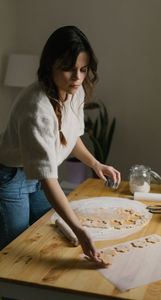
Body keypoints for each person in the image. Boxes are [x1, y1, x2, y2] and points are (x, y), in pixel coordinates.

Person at [0, 26, 121, 263]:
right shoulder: (37, 109)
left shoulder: (75, 91)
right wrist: (79, 230)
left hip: (37, 174)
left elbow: (70, 136)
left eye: (83, 69)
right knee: (14, 253)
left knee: (45, 238)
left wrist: (96, 164)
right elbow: (48, 180)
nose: (77, 77)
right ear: (50, 66)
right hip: (12, 177)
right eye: (68, 69)